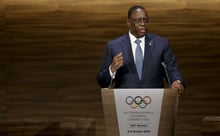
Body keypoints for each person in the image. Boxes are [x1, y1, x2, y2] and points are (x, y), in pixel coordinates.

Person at [96, 5, 185, 95]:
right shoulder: (114, 46)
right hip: (125, 101)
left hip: (154, 99)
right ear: (128, 22)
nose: (143, 24)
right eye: (138, 20)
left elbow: (172, 69)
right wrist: (112, 69)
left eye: (145, 20)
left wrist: (176, 81)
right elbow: (102, 82)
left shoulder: (161, 44)